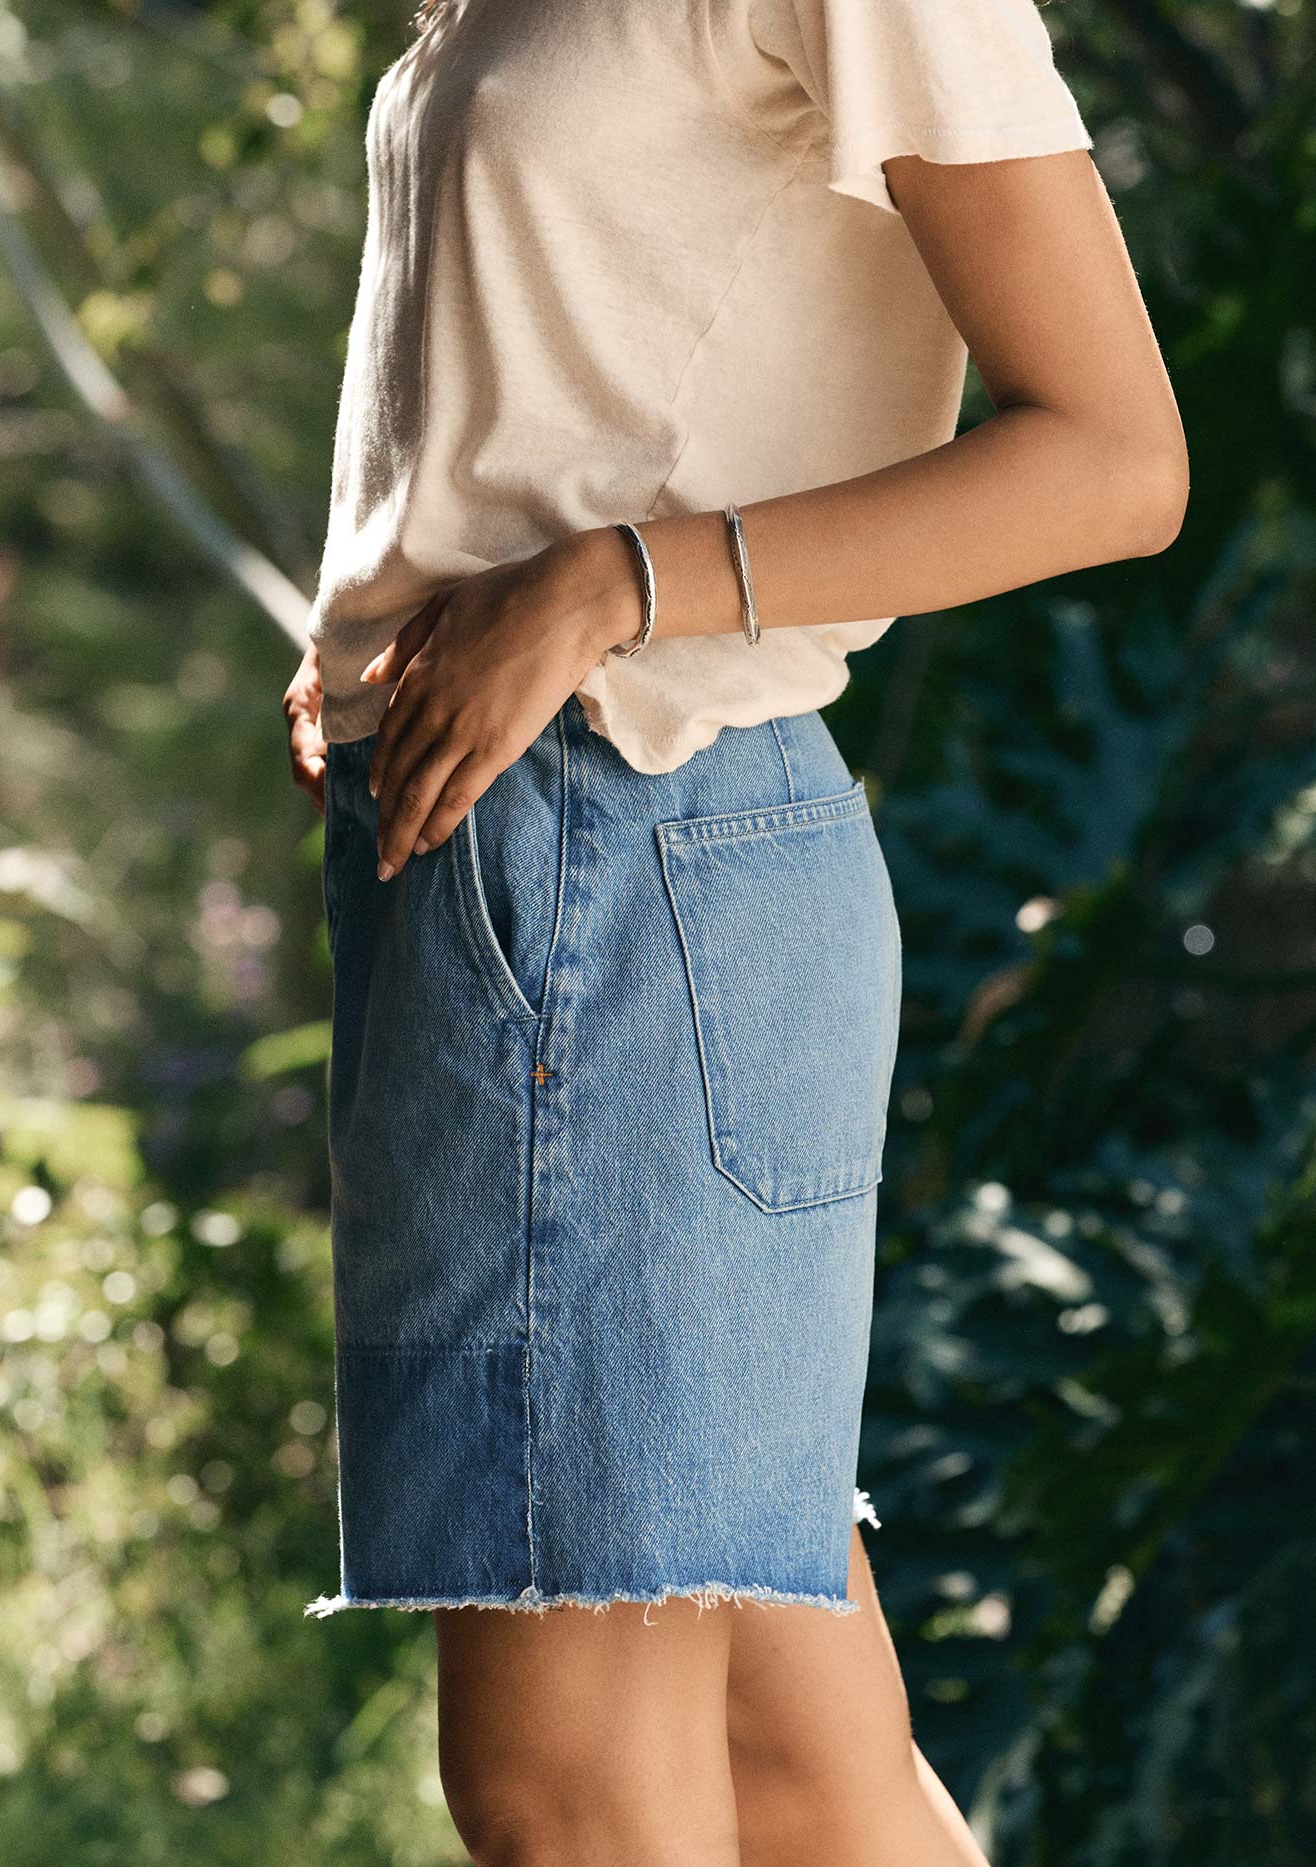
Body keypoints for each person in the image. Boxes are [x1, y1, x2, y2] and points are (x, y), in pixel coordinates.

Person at [282, 0, 1188, 1859]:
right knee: (794, 1757)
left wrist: (608, 587)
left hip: (618, 854)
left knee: (568, 1793)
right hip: (510, 856)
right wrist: (377, 632)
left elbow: (1118, 457)